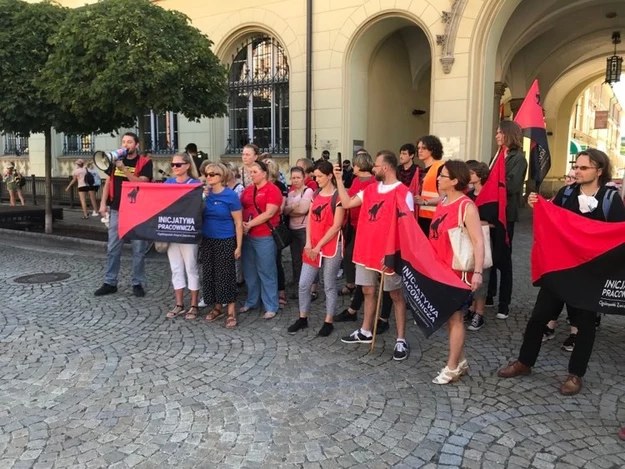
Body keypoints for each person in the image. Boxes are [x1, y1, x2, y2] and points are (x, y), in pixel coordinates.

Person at [498, 149, 625, 395]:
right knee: (538, 318)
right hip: (561, 270)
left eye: (583, 168)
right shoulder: (566, 193)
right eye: (575, 167)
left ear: (599, 170)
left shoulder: (610, 198)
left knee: (585, 325)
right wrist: (537, 205)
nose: (576, 171)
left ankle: (576, 374)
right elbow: (551, 219)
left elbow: (617, 235)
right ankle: (525, 362)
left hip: (591, 274)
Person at [334, 150, 414, 361]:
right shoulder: (370, 189)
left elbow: (408, 226)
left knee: (395, 294)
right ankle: (366, 331)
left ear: (385, 168)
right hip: (367, 248)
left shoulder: (403, 192)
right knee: (368, 290)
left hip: (389, 252)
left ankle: (400, 339)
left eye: (376, 166)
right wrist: (340, 181)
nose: (374, 169)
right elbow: (348, 203)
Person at [429, 160, 484, 383]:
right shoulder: (443, 202)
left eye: (442, 175)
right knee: (449, 319)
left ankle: (451, 367)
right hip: (439, 269)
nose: (438, 179)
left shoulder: (467, 207)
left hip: (457, 271)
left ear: (454, 181)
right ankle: (460, 361)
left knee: (456, 318)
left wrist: (478, 272)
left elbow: (478, 242)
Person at [288, 160, 345, 336]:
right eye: (315, 176)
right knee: (304, 283)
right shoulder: (316, 194)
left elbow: (336, 226)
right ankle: (303, 317)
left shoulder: (338, 197)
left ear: (330, 176)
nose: (317, 179)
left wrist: (318, 245)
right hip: (313, 244)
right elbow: (311, 219)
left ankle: (328, 320)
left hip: (331, 245)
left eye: (320, 176)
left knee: (329, 284)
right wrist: (308, 243)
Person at [94, 132, 153, 297]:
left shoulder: (145, 162)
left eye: (129, 142)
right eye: (124, 142)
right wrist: (102, 203)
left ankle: (137, 283)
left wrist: (124, 169)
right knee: (113, 247)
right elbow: (108, 183)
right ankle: (110, 282)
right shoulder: (114, 162)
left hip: (137, 211)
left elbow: (142, 182)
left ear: (137, 145)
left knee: (138, 249)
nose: (126, 145)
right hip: (117, 209)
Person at [486, 120, 528, 319]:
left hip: (506, 214)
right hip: (492, 212)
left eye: (499, 132)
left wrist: (490, 185)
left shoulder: (518, 158)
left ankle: (504, 303)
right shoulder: (496, 155)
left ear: (508, 134)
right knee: (489, 256)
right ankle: (489, 294)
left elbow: (511, 186)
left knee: (504, 258)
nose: (496, 136)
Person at [200, 162, 243, 327]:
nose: (209, 177)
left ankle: (231, 310)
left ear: (221, 177)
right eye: (207, 174)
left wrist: (238, 246)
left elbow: (238, 223)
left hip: (225, 239)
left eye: (213, 174)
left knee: (226, 275)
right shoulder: (205, 194)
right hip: (208, 238)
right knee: (210, 274)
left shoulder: (230, 196)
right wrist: (202, 198)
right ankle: (216, 307)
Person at [239, 160, 282, 319]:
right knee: (250, 271)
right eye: (250, 172)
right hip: (247, 235)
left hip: (264, 235)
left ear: (264, 173)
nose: (251, 175)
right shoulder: (248, 190)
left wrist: (249, 224)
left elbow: (270, 213)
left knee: (267, 270)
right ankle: (252, 301)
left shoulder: (272, 189)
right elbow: (240, 206)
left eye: (255, 172)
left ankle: (271, 305)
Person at [162, 153, 202, 319]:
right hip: (172, 230)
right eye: (173, 164)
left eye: (178, 164)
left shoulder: (195, 184)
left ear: (187, 165)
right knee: (176, 268)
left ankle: (194, 304)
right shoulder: (168, 183)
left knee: (191, 267)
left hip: (188, 231)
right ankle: (179, 304)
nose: (175, 167)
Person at [464, 161, 493, 331]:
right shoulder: (469, 194)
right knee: (469, 273)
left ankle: (479, 313)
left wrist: (474, 222)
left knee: (483, 275)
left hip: (484, 239)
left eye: (472, 173)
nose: (469, 176)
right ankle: (471, 307)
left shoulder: (489, 196)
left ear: (480, 175)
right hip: (469, 238)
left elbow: (493, 222)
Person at [263, 157, 289, 307]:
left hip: (274, 227)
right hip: (261, 228)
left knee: (276, 261)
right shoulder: (259, 186)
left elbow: (280, 209)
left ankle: (280, 291)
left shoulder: (279, 185)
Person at [284, 166, 314, 288]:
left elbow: (303, 210)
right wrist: (292, 207)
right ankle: (298, 283)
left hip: (304, 229)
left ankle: (312, 286)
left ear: (303, 178)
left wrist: (291, 209)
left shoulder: (308, 191)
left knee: (308, 258)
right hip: (292, 229)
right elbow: (284, 211)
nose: (295, 180)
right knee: (295, 258)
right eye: (293, 178)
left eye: (298, 177)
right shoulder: (291, 193)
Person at [414, 135, 445, 236]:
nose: (420, 151)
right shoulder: (421, 170)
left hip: (435, 218)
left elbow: (445, 198)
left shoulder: (441, 167)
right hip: (422, 218)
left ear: (432, 150)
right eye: (418, 148)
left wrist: (425, 202)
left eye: (423, 148)